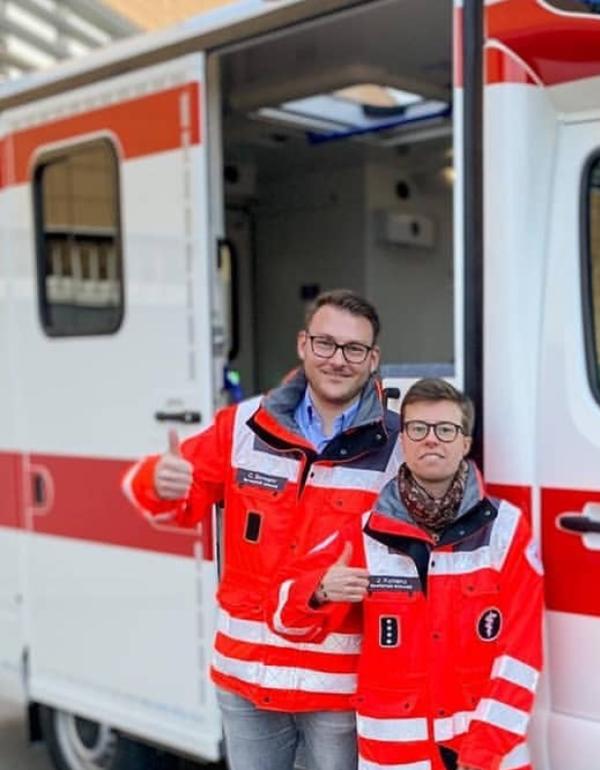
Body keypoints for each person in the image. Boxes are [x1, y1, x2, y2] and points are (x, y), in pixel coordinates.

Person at [122, 289, 401, 770]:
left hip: (335, 686)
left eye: (354, 349)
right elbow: (180, 499)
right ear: (302, 344)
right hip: (245, 676)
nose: (338, 359)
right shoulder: (243, 425)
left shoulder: (398, 444)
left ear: (372, 358)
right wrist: (156, 481)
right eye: (325, 343)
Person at [270, 378, 543, 770]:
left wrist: (485, 746)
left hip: (485, 755)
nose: (431, 439)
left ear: (465, 443)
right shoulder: (364, 534)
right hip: (395, 757)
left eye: (446, 429)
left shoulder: (507, 530)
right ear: (405, 442)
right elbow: (282, 615)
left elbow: (521, 651)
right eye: (417, 428)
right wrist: (318, 590)